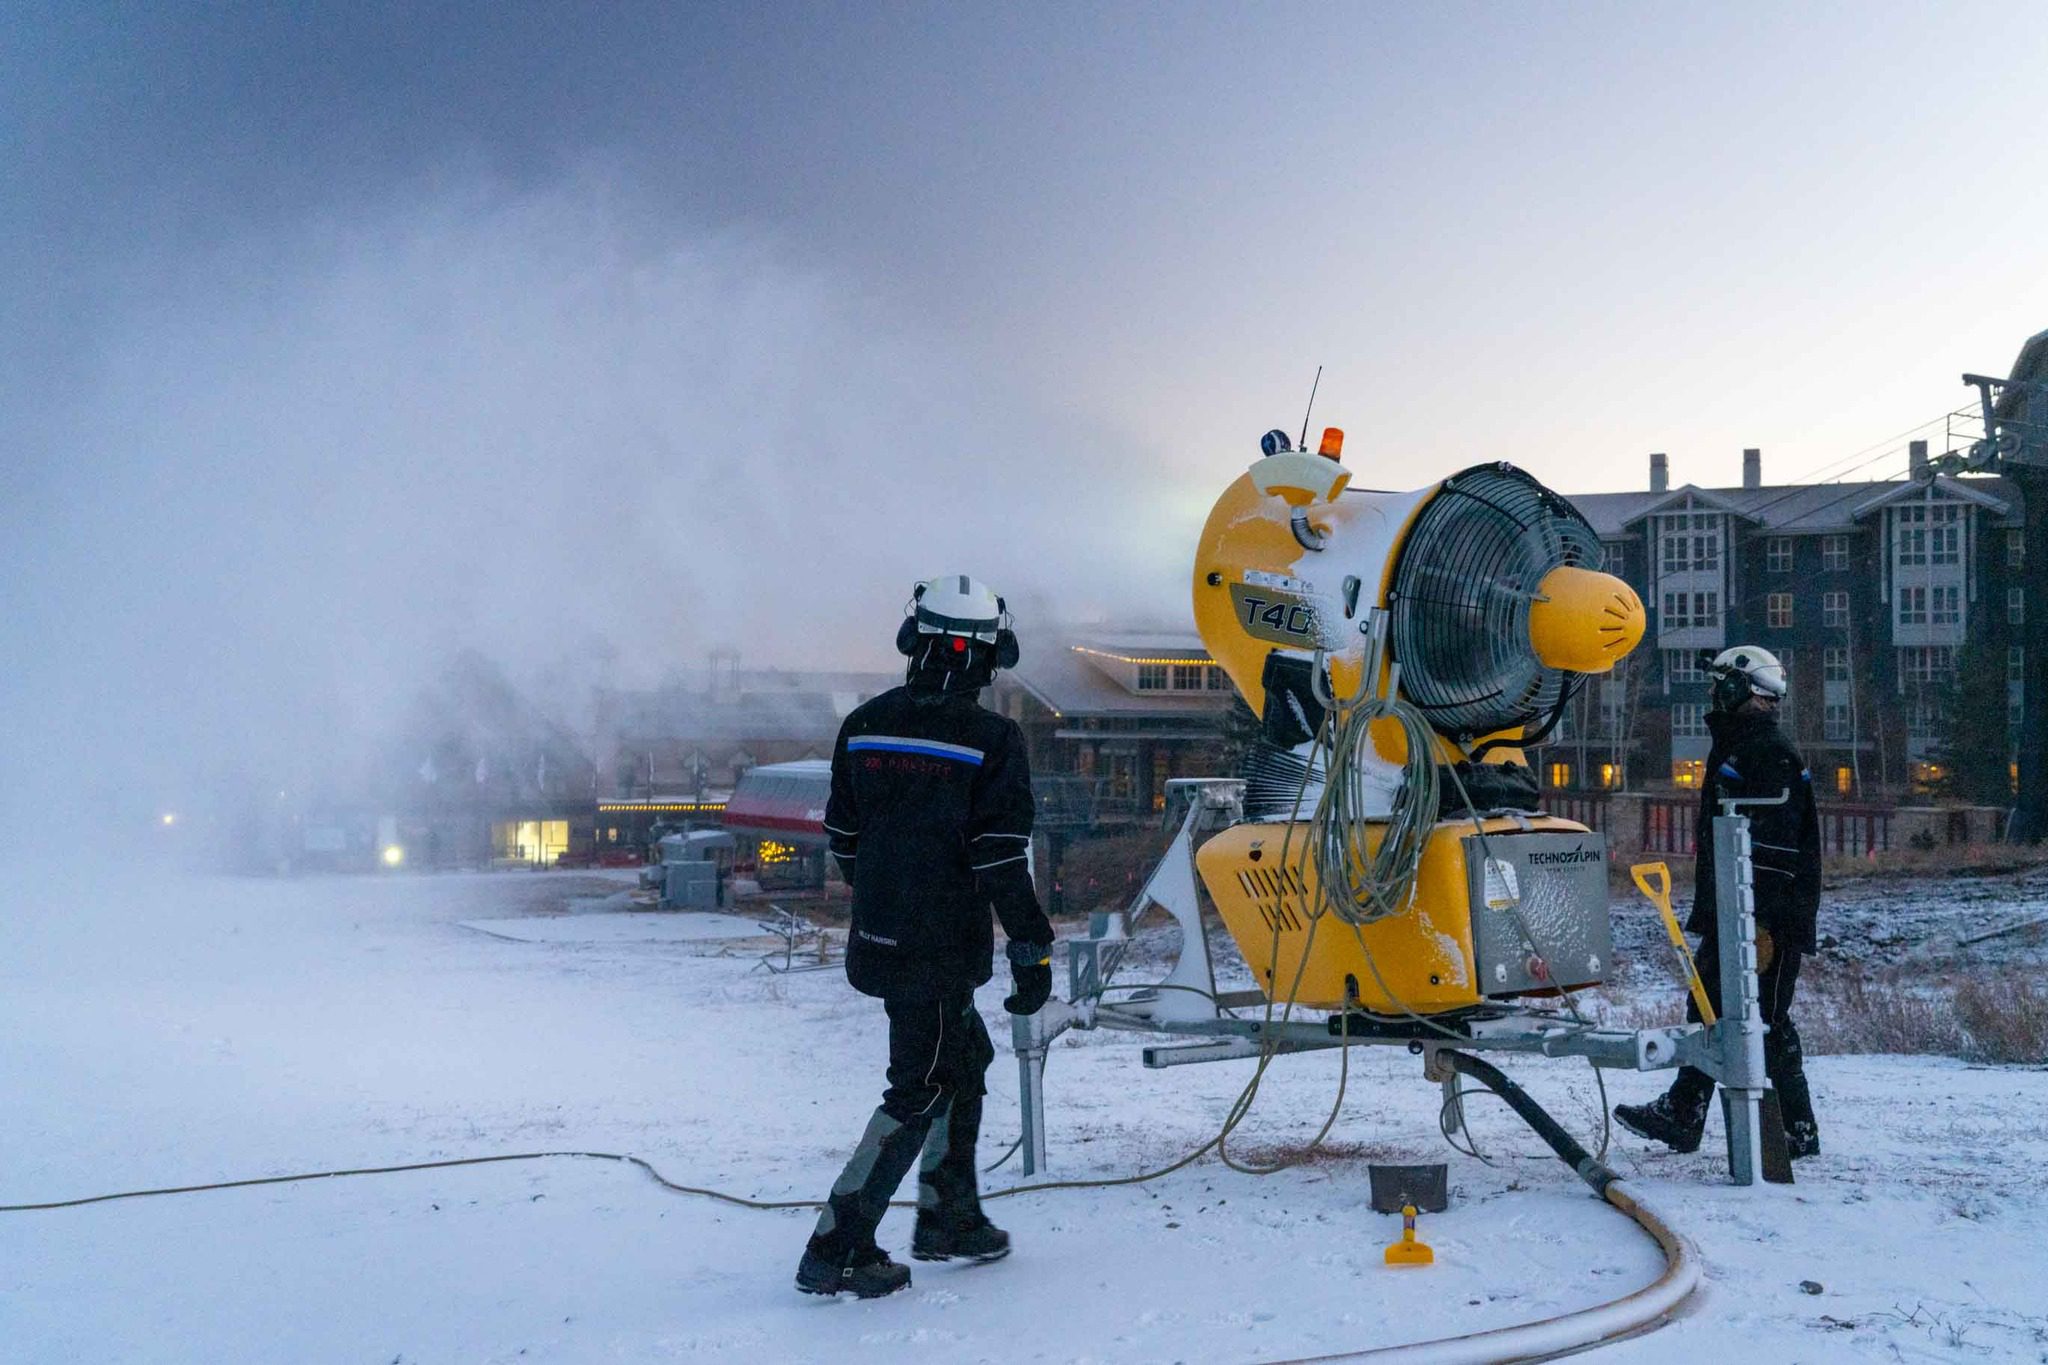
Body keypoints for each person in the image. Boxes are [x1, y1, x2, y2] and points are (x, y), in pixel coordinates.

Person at [794, 575, 1056, 1299]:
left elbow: (844, 836)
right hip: (939, 949)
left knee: (963, 1055)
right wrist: (1031, 948)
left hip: (879, 938)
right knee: (922, 1084)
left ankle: (948, 1214)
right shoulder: (993, 739)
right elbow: (1001, 857)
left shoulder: (864, 723)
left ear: (915, 639)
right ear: (991, 654)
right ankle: (836, 1246)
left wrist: (889, 888)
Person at [1615, 645, 1823, 1159]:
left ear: (1742, 690)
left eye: (1720, 685)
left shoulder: (1767, 751)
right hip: (1734, 912)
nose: (1713, 693)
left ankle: (1797, 1130)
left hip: (1761, 918)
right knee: (1710, 1009)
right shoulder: (1739, 746)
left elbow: (1774, 851)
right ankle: (1684, 1113)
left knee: (1765, 1017)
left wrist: (1758, 925)